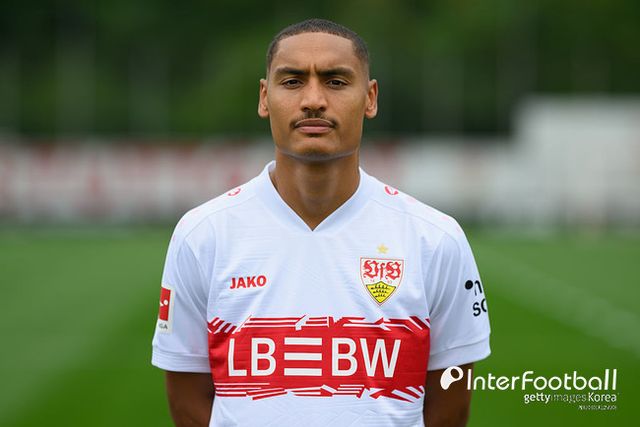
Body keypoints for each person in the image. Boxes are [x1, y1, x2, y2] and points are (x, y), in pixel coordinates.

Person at [151, 18, 490, 427]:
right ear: (264, 97)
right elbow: (187, 398)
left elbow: (450, 404)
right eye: (292, 82)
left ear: (370, 98)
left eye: (335, 81)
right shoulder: (203, 234)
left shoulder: (435, 238)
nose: (313, 100)